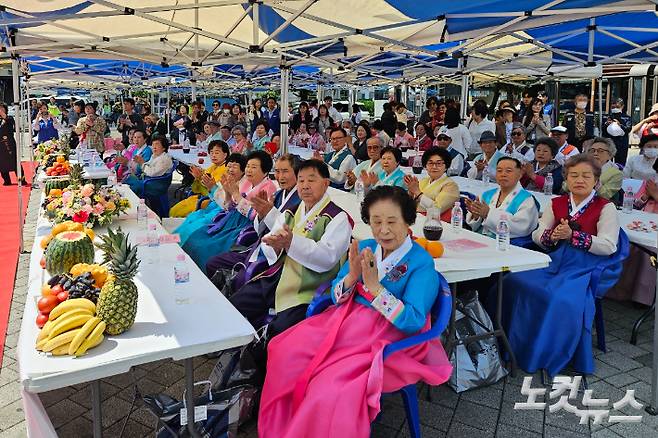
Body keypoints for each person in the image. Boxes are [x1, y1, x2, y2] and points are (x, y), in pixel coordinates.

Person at [259, 185, 452, 438]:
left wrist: (375, 288)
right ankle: (284, 424)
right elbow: (336, 295)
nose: (384, 230)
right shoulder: (367, 246)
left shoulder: (421, 262)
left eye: (392, 221)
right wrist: (352, 276)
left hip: (386, 335)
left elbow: (413, 320)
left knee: (330, 387)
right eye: (376, 221)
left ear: (408, 221)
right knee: (283, 349)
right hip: (345, 320)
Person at [498, 154, 621, 376]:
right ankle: (510, 344)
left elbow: (609, 245)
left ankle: (543, 353)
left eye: (586, 176)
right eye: (574, 175)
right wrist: (551, 236)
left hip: (584, 266)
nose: (579, 180)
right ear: (566, 179)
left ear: (596, 180)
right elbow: (538, 232)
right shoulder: (557, 202)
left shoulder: (606, 207)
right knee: (512, 281)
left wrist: (574, 236)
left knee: (557, 297)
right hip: (553, 259)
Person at [229, 160, 353, 365]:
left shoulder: (338, 218)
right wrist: (276, 245)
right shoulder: (293, 210)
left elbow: (327, 258)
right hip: (277, 278)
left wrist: (290, 242)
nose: (304, 185)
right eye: (301, 180)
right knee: (237, 304)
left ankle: (263, 371)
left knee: (279, 333)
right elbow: (270, 242)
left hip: (306, 288)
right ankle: (237, 356)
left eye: (311, 180)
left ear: (326, 183)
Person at [205, 154, 301, 280]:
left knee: (207, 248)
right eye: (277, 171)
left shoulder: (273, 190)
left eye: (285, 171)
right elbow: (234, 208)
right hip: (240, 227)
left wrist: (264, 213)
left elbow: (255, 215)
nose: (280, 176)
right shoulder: (274, 193)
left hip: (257, 240)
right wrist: (262, 215)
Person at [182, 150, 277, 272]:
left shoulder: (269, 188)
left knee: (204, 247)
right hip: (230, 220)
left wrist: (235, 194)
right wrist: (227, 193)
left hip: (244, 227)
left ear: (265, 171)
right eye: (248, 166)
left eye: (254, 167)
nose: (248, 170)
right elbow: (229, 207)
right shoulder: (246, 182)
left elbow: (257, 216)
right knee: (196, 236)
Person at [175, 153, 247, 246]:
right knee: (191, 219)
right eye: (229, 166)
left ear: (243, 170)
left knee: (196, 228)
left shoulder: (243, 185)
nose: (230, 170)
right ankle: (176, 244)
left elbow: (226, 205)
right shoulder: (225, 177)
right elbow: (215, 196)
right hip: (213, 207)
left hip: (223, 215)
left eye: (235, 167)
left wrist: (213, 188)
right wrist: (210, 188)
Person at [466, 156, 539, 238]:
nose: (503, 174)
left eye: (508, 171)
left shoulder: (526, 199)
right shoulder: (486, 195)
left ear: (520, 175)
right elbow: (475, 226)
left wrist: (488, 214)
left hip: (506, 244)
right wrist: (476, 216)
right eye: (499, 171)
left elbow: (523, 227)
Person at [169, 140, 230, 217]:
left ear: (225, 155)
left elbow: (213, 192)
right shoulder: (213, 167)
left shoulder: (225, 169)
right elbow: (195, 189)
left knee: (176, 212)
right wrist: (197, 178)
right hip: (199, 197)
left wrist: (200, 178)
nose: (213, 155)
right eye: (211, 153)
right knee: (173, 210)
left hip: (210, 202)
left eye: (217, 153)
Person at [405, 147, 460, 220]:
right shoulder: (424, 181)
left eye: (439, 163)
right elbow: (410, 204)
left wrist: (417, 192)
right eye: (430, 163)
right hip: (416, 218)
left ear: (446, 166)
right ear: (425, 166)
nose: (434, 167)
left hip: (436, 222)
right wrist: (411, 191)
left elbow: (437, 210)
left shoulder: (451, 185)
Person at [583, 137, 623, 201]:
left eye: (600, 151)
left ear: (609, 155)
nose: (595, 153)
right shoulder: (581, 168)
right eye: (592, 151)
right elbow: (566, 186)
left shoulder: (616, 174)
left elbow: (604, 195)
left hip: (600, 206)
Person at [0, 103, 25, 185]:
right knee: (2, 163)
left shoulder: (9, 118)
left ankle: (22, 179)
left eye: (2, 109)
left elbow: (11, 127)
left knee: (15, 161)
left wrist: (2, 112)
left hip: (9, 143)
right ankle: (7, 180)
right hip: (1, 145)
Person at [603, 98, 632, 165]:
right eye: (613, 107)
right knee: (606, 163)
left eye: (617, 107)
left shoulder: (626, 117)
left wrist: (620, 124)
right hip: (608, 142)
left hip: (621, 143)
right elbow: (602, 130)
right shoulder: (607, 117)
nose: (615, 108)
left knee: (620, 164)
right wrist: (606, 124)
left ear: (622, 106)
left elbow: (628, 129)